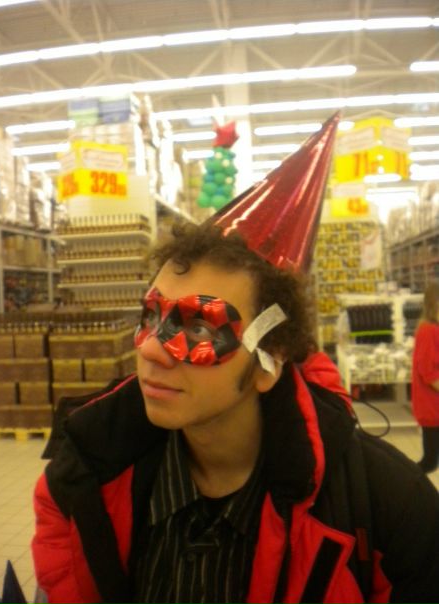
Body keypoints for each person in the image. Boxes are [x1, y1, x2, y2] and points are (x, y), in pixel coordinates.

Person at [31, 115, 439, 604]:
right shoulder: (81, 481)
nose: (150, 348)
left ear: (269, 357)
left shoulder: (391, 506)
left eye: (199, 328)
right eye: (151, 316)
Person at [411, 281, 439, 473]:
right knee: (429, 461)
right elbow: (428, 373)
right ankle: (402, 482)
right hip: (432, 407)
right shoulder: (428, 331)